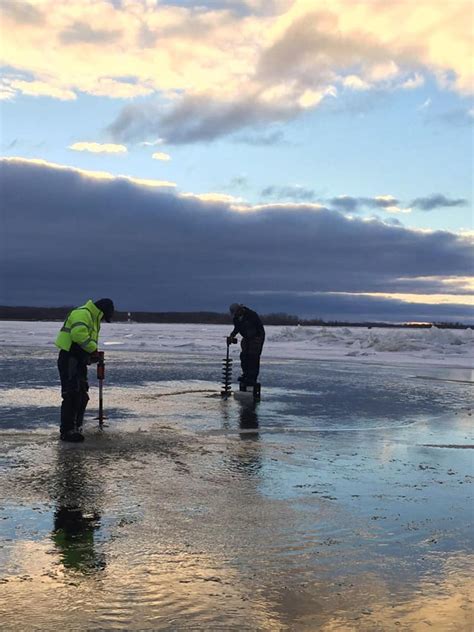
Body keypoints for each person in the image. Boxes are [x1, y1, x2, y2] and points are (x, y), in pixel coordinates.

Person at [55, 298, 114, 442]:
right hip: (69, 358)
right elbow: (78, 335)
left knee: (82, 395)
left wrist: (89, 356)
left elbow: (84, 341)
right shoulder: (83, 314)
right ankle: (67, 431)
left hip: (78, 360)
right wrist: (93, 350)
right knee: (72, 394)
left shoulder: (93, 318)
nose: (103, 321)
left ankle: (77, 427)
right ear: (102, 311)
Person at [227, 303, 265, 386]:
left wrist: (252, 340)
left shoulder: (251, 315)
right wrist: (231, 336)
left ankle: (252, 378)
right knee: (244, 356)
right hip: (247, 337)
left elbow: (255, 329)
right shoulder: (236, 319)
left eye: (236, 313)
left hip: (257, 336)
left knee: (253, 357)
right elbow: (237, 328)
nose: (235, 315)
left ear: (240, 310)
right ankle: (246, 375)